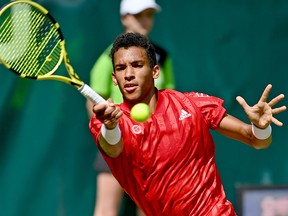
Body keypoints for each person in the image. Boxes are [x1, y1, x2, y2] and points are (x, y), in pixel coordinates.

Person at [88, 32, 286, 215]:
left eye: (137, 65)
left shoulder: (191, 105)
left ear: (155, 71)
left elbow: (256, 140)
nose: (128, 74)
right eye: (121, 68)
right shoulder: (108, 123)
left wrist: (260, 127)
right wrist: (111, 126)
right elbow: (113, 149)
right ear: (114, 78)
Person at [86, 0, 175, 215]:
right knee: (107, 208)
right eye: (139, 14)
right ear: (125, 18)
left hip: (153, 141)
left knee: (151, 208)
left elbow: (169, 96)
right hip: (118, 137)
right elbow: (94, 100)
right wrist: (107, 133)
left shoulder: (161, 56)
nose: (145, 20)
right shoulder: (109, 57)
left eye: (149, 14)